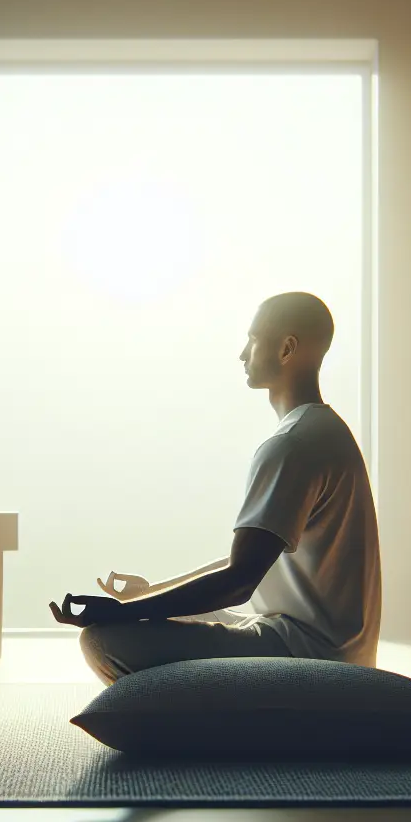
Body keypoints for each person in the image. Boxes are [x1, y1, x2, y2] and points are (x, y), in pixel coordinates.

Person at [49, 291, 381, 683]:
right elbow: (246, 562)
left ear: (287, 348)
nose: (243, 353)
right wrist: (147, 595)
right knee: (162, 613)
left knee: (102, 641)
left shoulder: (292, 446)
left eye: (253, 339)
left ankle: (201, 732)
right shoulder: (323, 430)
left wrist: (117, 613)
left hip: (305, 653)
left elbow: (238, 581)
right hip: (325, 643)